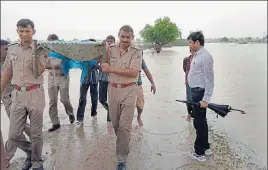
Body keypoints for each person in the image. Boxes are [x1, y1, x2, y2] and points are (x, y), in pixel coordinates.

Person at [1, 19, 47, 170]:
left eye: (27, 31)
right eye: (21, 31)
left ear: (34, 31)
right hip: (17, 94)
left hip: (35, 93)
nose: (24, 34)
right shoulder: (12, 48)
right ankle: (30, 153)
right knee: (14, 134)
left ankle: (37, 162)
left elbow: (39, 71)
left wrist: (35, 53)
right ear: (17, 31)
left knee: (36, 133)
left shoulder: (41, 48)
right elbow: (7, 71)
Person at [101, 25, 142, 170]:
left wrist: (111, 69)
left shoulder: (136, 51)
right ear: (119, 36)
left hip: (129, 90)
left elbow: (133, 73)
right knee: (116, 124)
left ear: (132, 37)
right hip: (112, 90)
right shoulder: (109, 48)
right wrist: (102, 64)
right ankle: (124, 144)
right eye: (122, 36)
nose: (125, 39)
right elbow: (102, 63)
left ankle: (121, 159)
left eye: (128, 37)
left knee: (125, 127)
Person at [187, 31, 214, 162]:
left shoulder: (205, 57)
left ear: (197, 42)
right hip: (195, 92)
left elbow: (209, 79)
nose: (189, 45)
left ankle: (199, 153)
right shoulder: (197, 55)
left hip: (200, 94)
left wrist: (206, 99)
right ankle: (206, 147)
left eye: (190, 42)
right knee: (202, 122)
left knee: (199, 123)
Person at [46, 34, 75, 132]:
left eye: (54, 43)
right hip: (51, 78)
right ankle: (55, 123)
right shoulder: (46, 52)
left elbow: (72, 61)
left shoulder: (63, 52)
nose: (52, 45)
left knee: (64, 99)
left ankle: (70, 113)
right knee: (52, 101)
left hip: (63, 78)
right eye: (50, 43)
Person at [76, 48, 99, 126]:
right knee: (82, 99)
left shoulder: (97, 56)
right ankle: (80, 119)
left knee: (94, 98)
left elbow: (101, 66)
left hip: (94, 79)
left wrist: (96, 66)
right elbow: (80, 66)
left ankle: (94, 113)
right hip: (84, 79)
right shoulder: (83, 56)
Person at [98, 35, 115, 122]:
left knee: (112, 100)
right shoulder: (100, 53)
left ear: (114, 43)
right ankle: (110, 111)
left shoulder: (115, 54)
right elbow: (96, 64)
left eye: (111, 41)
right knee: (101, 99)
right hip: (102, 79)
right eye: (107, 41)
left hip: (112, 80)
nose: (109, 43)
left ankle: (110, 120)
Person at [136, 51, 156, 126]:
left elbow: (147, 71)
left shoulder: (141, 60)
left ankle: (138, 116)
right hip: (127, 86)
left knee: (140, 105)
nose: (138, 56)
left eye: (140, 54)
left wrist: (152, 83)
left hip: (138, 85)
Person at [182, 49, 195, 121]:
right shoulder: (186, 59)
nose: (194, 53)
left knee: (197, 99)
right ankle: (189, 114)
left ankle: (196, 114)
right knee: (189, 99)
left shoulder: (200, 60)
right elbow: (185, 69)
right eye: (193, 51)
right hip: (188, 83)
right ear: (190, 51)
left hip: (198, 84)